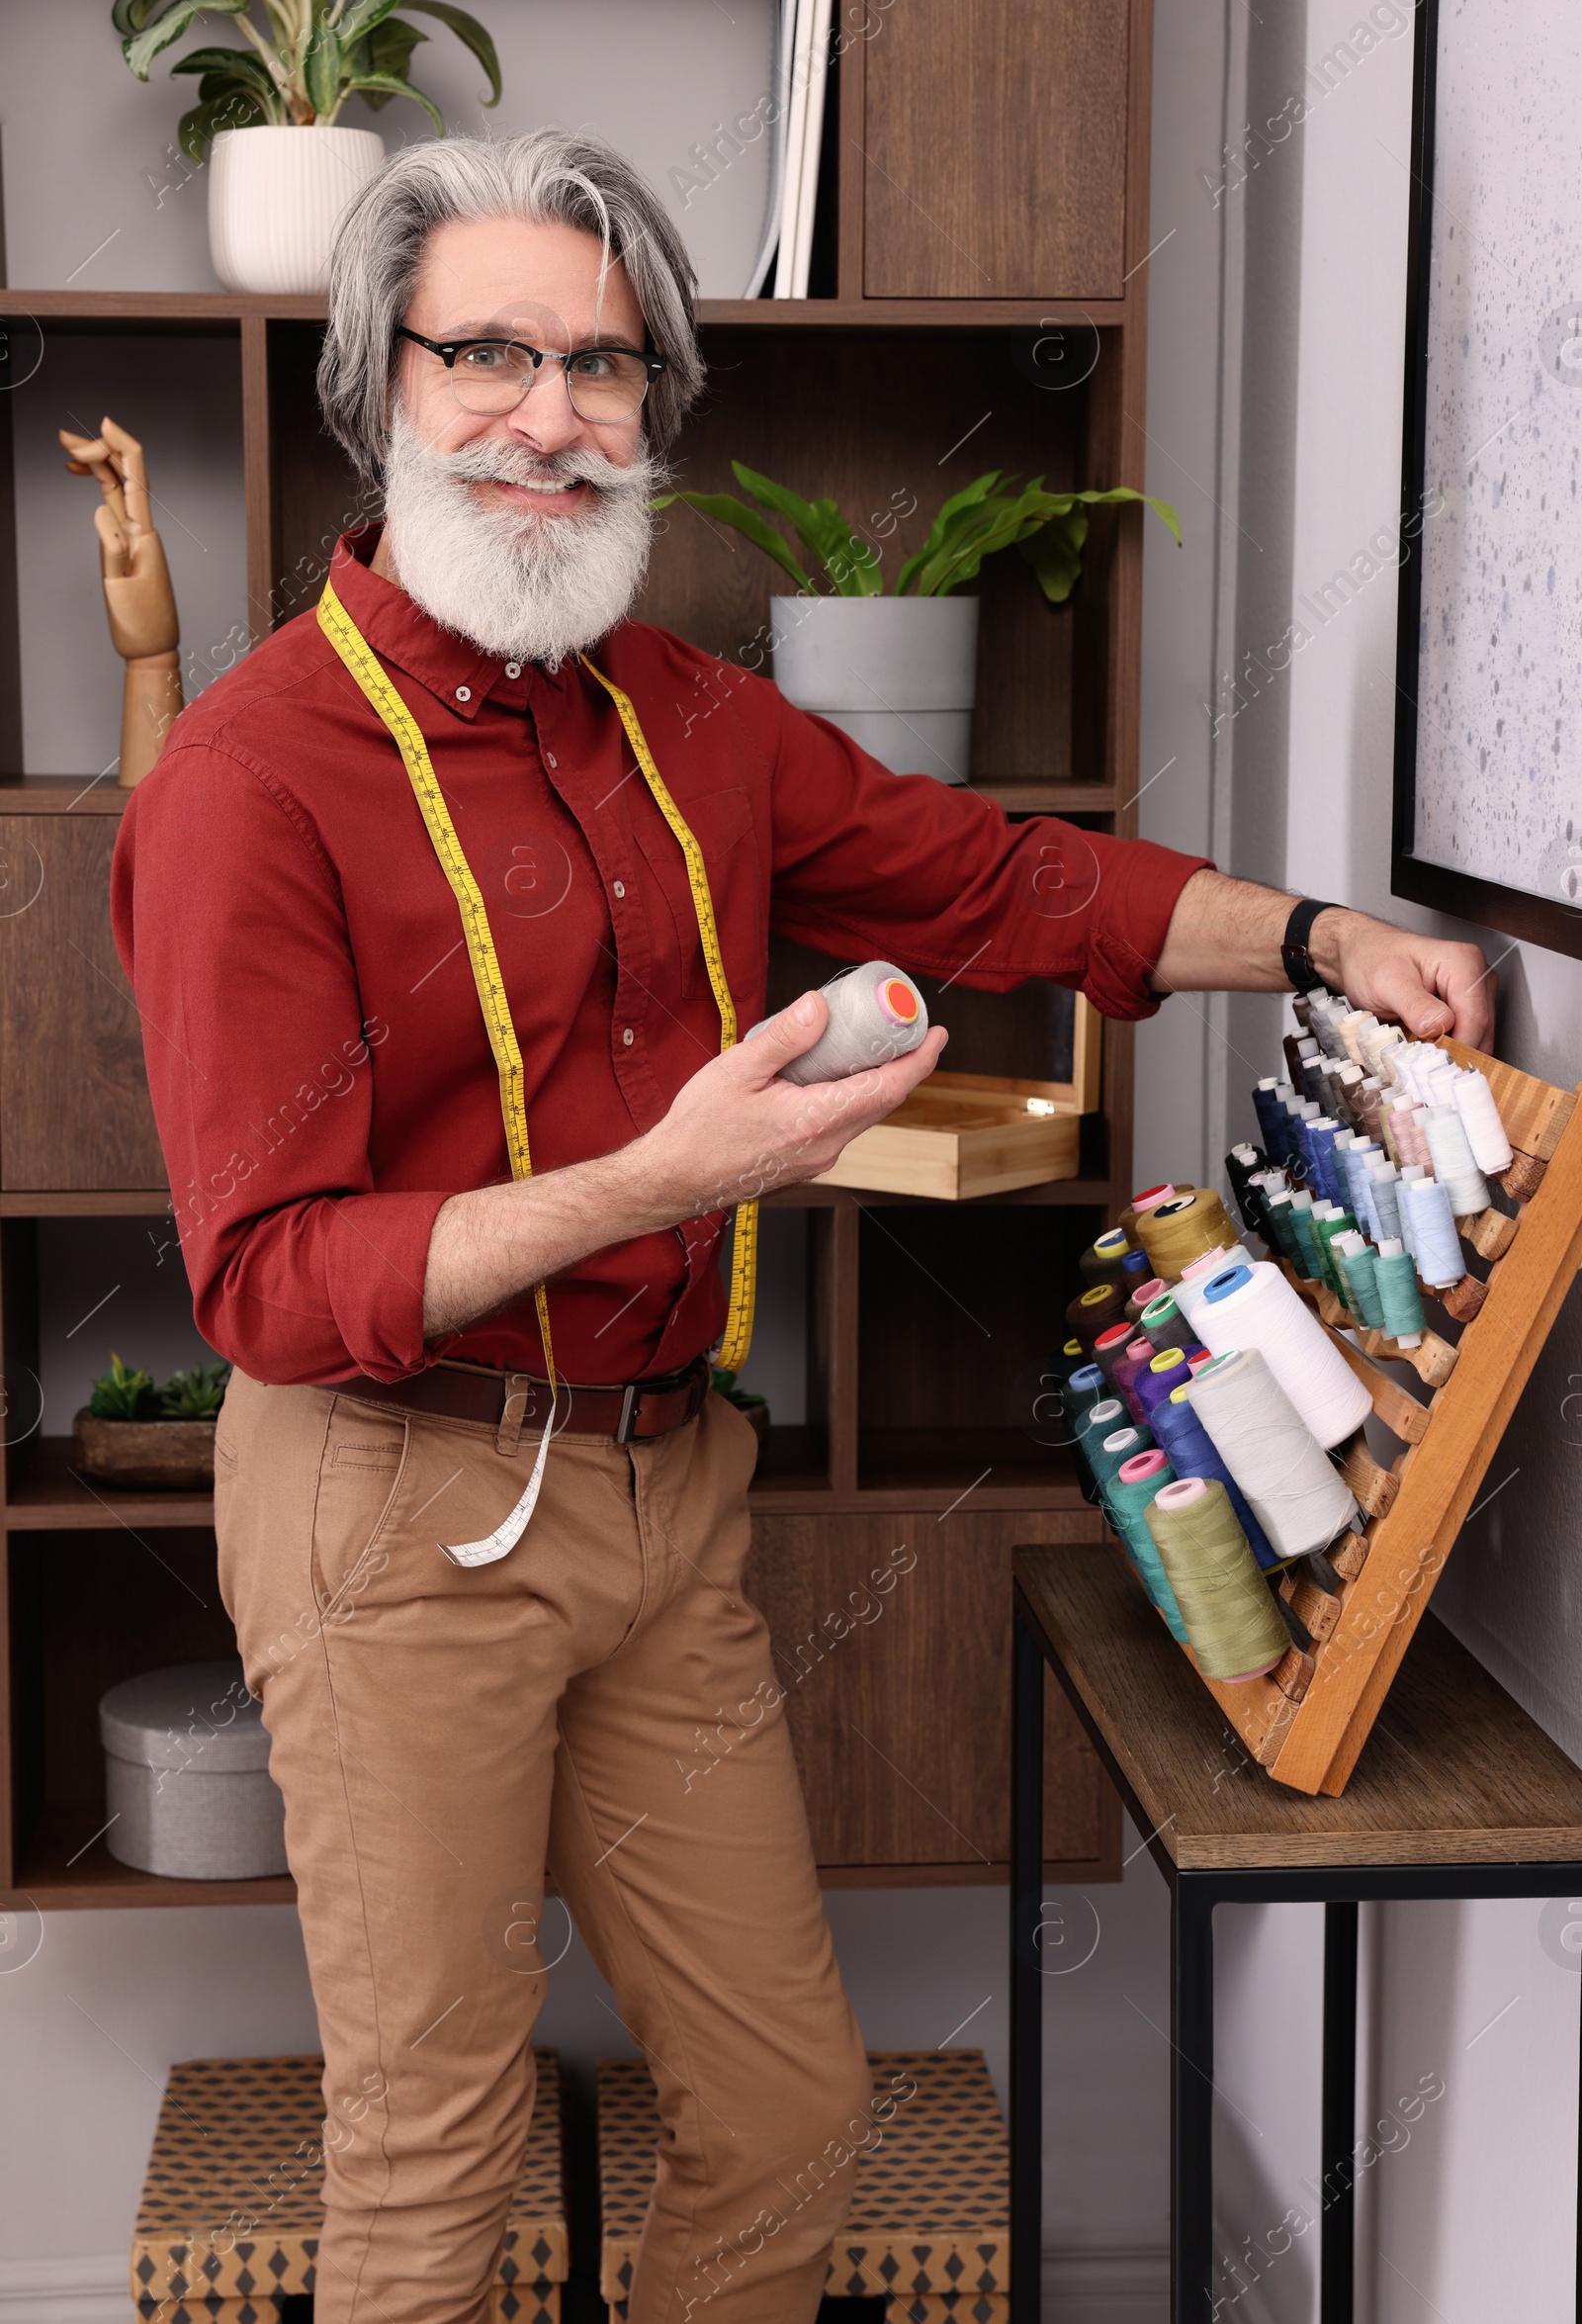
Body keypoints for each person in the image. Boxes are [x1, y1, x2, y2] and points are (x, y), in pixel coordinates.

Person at [112, 130, 1490, 2324]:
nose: (551, 416)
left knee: (784, 2110)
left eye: (605, 364)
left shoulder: (689, 720)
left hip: (665, 1496)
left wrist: (1313, 935)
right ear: (380, 391)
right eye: (488, 354)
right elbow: (273, 1284)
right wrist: (668, 1176)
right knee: (430, 2154)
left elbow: (1003, 881)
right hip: (388, 1504)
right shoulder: (246, 781)